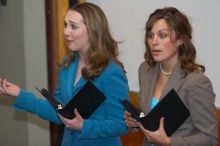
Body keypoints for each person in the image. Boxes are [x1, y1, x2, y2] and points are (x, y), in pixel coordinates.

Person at [0, 2, 129, 146]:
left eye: (73, 26)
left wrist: (83, 126)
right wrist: (19, 94)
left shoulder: (111, 72)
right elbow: (59, 113)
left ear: (92, 31)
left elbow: (121, 124)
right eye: (65, 25)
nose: (66, 32)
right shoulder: (67, 66)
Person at [124, 7, 217, 146]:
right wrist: (136, 122)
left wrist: (169, 142)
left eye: (162, 35)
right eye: (150, 35)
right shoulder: (145, 70)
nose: (154, 42)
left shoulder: (196, 82)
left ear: (179, 39)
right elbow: (151, 120)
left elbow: (210, 139)